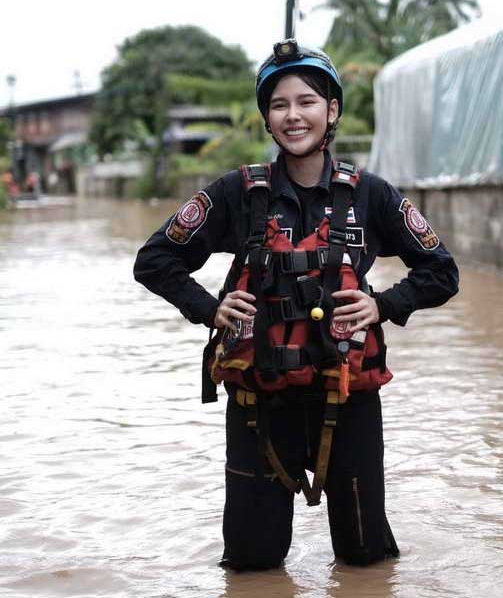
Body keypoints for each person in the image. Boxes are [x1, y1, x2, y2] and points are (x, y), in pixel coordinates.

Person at [134, 40, 459, 570]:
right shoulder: (236, 194)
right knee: (251, 566)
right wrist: (208, 307)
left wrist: (383, 304)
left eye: (307, 101)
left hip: (347, 398)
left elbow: (441, 272)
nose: (293, 115)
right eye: (279, 104)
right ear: (266, 117)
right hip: (258, 406)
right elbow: (155, 261)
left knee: (365, 562)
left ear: (331, 111)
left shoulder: (372, 196)